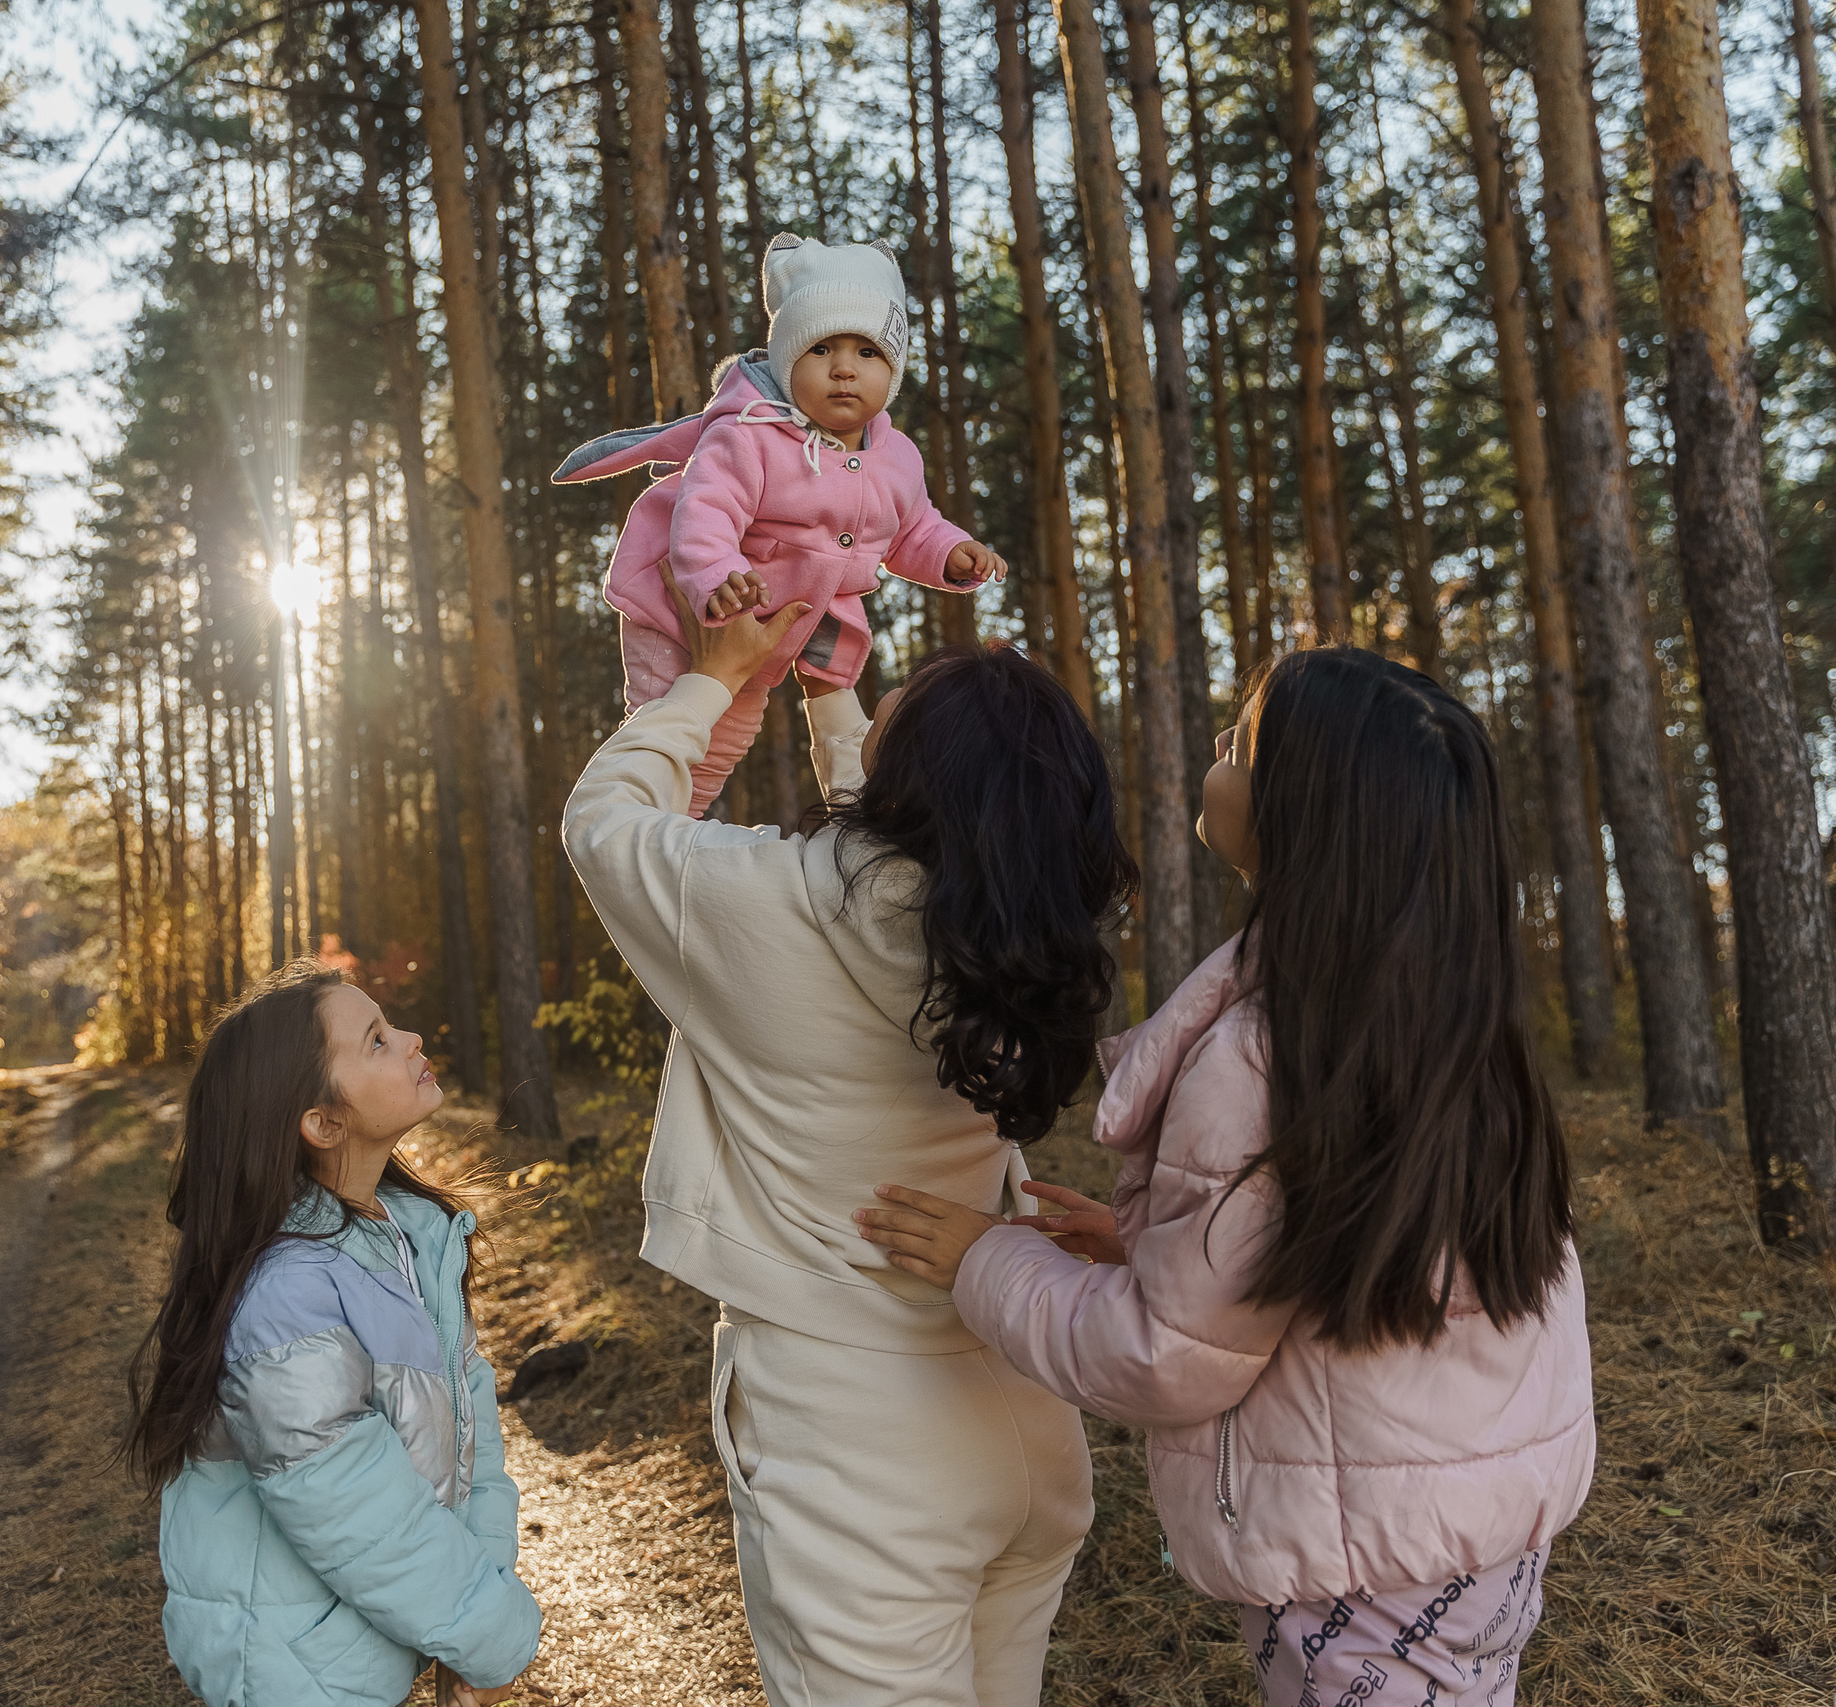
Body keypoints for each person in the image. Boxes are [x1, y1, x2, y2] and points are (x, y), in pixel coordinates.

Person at [858, 646, 1597, 1707]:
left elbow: (1165, 1360)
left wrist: (985, 1261)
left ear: (1307, 815)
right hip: (1474, 1535)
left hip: (1361, 1571)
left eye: (1241, 745)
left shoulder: (1262, 1055)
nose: (1215, 752)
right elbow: (1372, 1245)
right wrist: (1151, 1251)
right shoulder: (1443, 1020)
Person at [559, 584, 1129, 1706]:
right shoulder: (1022, 940)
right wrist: (831, 700)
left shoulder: (764, 904)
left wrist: (713, 678)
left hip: (853, 1439)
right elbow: (909, 851)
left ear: (908, 775)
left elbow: (605, 822)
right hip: (1021, 1407)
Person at [123, 963, 539, 1707]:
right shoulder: (287, 1294)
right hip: (288, 1667)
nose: (412, 1038)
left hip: (353, 1644)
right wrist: (488, 1628)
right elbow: (349, 1505)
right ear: (323, 1121)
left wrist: (481, 1606)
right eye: (377, 1040)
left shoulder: (412, 1240)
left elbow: (477, 1443)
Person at [552, 233, 1006, 817]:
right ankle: (654, 828)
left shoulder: (898, 457)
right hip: (693, 610)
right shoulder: (750, 433)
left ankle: (854, 818)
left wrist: (951, 554)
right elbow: (706, 511)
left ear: (892, 370)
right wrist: (717, 574)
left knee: (782, 720)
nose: (844, 368)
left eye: (867, 353)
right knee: (690, 727)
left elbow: (913, 529)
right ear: (790, 357)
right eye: (821, 350)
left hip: (804, 609)